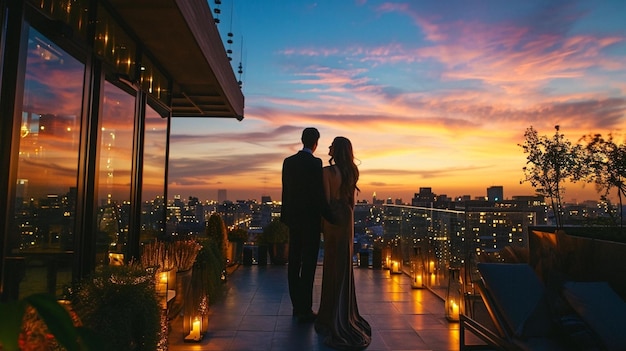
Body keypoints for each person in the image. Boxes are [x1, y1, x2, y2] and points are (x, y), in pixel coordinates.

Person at [315, 136, 371, 350]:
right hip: (346, 218)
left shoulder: (327, 173)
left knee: (332, 263)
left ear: (336, 150)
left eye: (331, 146)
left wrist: (325, 224)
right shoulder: (351, 172)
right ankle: (345, 312)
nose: (328, 148)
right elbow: (351, 202)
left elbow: (326, 201)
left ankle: (331, 314)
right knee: (344, 262)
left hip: (332, 219)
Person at [281, 127, 330, 323]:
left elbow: (286, 191)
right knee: (308, 264)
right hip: (310, 221)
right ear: (315, 143)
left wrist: (286, 217)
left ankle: (296, 306)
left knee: (293, 262)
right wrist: (328, 216)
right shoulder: (315, 163)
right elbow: (318, 194)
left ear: (302, 140)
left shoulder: (288, 162)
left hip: (293, 219)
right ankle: (305, 308)